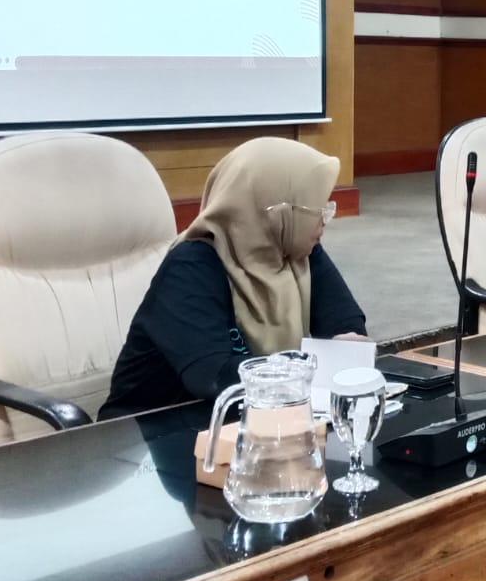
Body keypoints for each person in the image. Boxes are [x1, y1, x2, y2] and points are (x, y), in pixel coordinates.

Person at [100, 137, 367, 419]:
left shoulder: (296, 249)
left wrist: (346, 346)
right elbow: (214, 377)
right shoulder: (190, 265)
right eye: (315, 210)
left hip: (255, 420)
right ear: (276, 213)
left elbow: (347, 328)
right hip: (150, 430)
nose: (324, 220)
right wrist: (317, 364)